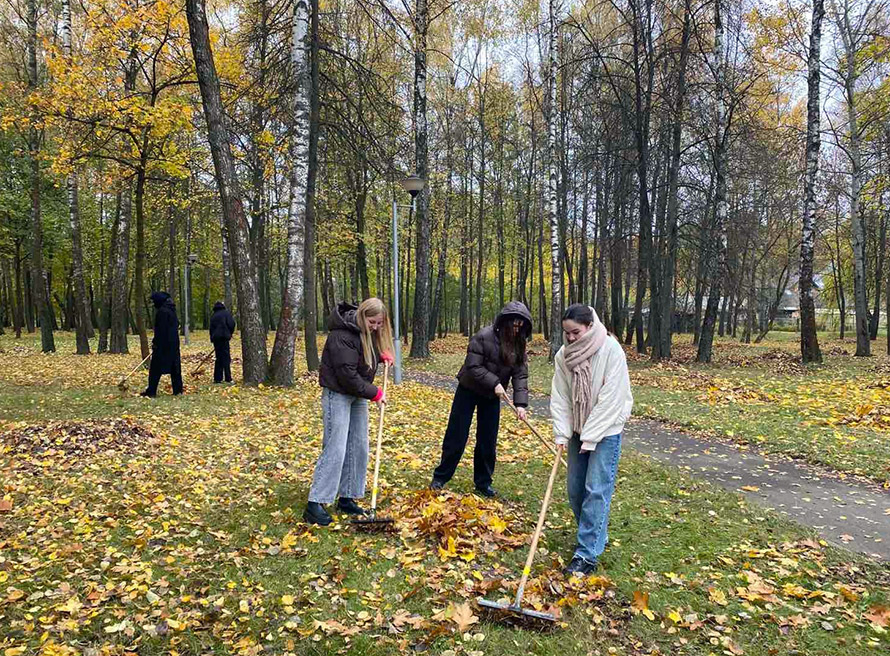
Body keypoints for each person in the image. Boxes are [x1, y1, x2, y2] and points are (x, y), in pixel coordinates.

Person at [550, 304, 633, 576]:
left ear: (589, 326)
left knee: (596, 490)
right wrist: (563, 433)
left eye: (575, 332)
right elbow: (561, 396)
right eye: (567, 333)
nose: (571, 338)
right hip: (577, 430)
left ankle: (586, 555)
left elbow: (613, 398)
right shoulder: (564, 355)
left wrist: (592, 436)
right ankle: (596, 534)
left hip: (606, 430)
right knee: (576, 490)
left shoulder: (611, 350)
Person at [304, 299, 394, 526]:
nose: (375, 327)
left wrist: (381, 354)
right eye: (372, 322)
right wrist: (375, 392)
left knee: (359, 446)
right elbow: (347, 375)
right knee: (336, 446)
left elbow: (363, 354)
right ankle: (316, 503)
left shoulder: (366, 331)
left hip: (358, 395)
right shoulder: (341, 335)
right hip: (338, 393)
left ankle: (347, 497)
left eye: (379, 324)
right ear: (362, 316)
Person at [430, 301, 532, 498]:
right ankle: (440, 477)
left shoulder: (520, 345)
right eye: (513, 324)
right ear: (504, 322)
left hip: (492, 396)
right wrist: (494, 382)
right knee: (457, 436)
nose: (515, 329)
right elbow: (473, 366)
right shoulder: (483, 336)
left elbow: (520, 375)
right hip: (469, 389)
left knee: (487, 440)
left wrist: (520, 404)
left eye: (520, 326)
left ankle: (483, 482)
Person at [141, 291, 184, 397]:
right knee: (175, 368)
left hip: (163, 345)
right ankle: (178, 390)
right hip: (173, 343)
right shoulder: (171, 310)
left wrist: (156, 343)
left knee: (155, 369)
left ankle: (151, 391)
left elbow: (160, 330)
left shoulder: (162, 312)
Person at [209, 301, 236, 383]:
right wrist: (230, 333)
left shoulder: (213, 316)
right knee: (226, 358)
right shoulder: (226, 314)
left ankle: (217, 378)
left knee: (219, 358)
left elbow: (211, 329)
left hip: (216, 339)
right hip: (224, 338)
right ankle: (228, 378)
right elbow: (232, 324)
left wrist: (212, 338)